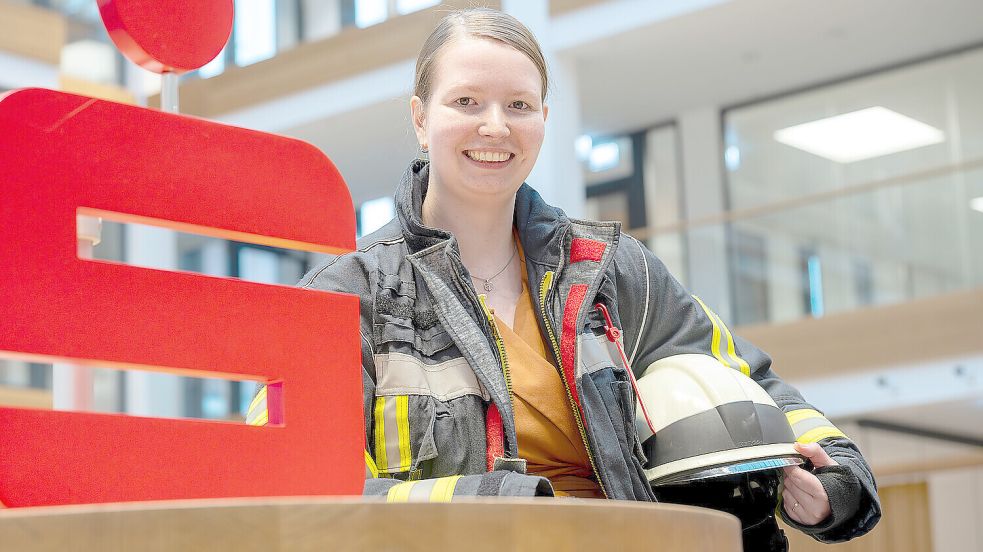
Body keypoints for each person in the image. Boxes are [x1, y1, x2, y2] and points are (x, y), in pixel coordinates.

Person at [250, 7, 880, 547]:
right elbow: (292, 490)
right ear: (420, 116)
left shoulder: (610, 269)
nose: (495, 125)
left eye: (519, 105)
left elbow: (754, 385)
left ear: (544, 119)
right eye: (466, 102)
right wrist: (506, 503)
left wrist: (833, 487)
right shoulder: (344, 298)